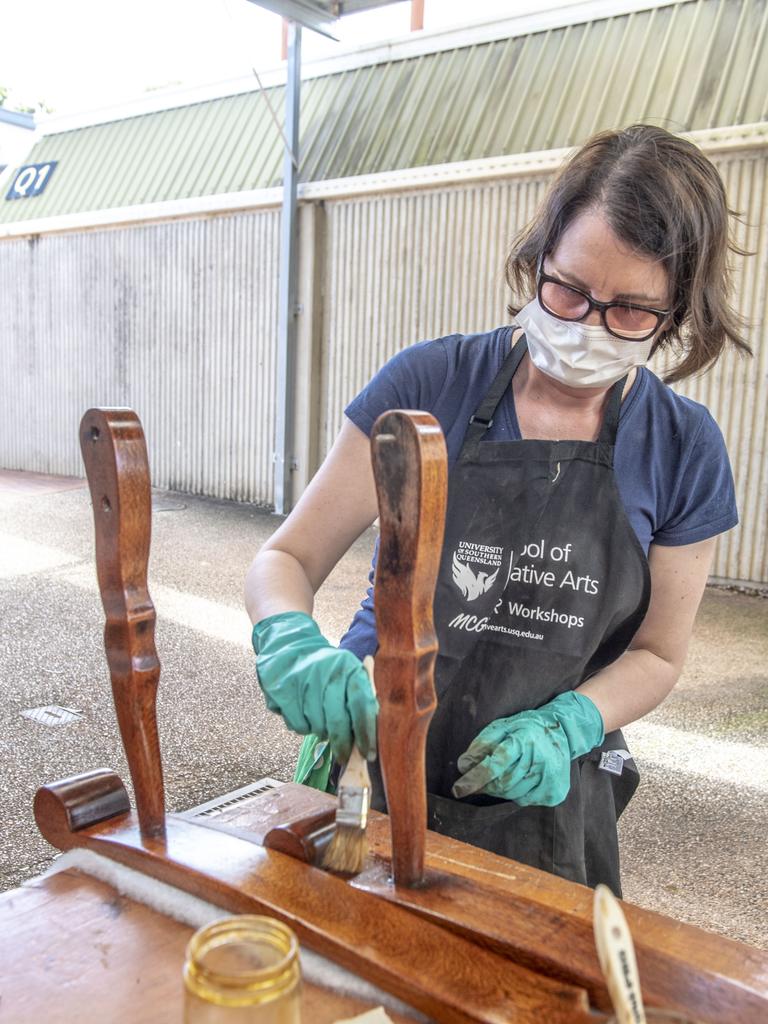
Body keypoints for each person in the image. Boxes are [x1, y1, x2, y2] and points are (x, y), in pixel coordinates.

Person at [245, 124, 750, 895]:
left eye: (630, 311)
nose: (588, 327)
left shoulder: (683, 448)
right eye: (569, 290)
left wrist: (570, 724)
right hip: (366, 764)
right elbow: (288, 558)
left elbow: (657, 655)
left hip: (541, 803)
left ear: (677, 310)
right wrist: (288, 638)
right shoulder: (428, 383)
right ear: (537, 258)